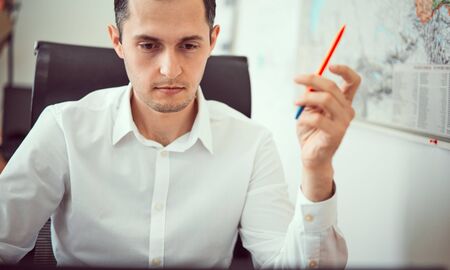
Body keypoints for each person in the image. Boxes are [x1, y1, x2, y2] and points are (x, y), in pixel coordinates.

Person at [0, 0, 361, 268]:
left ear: (212, 40)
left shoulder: (252, 143)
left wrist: (317, 169)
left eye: (189, 45)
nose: (170, 69)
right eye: (148, 45)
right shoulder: (63, 127)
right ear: (118, 41)